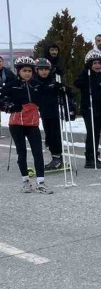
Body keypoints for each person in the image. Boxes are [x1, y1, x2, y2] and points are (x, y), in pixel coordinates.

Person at [1, 57, 52, 193]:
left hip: (32, 123)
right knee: (21, 152)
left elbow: (47, 95)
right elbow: (2, 100)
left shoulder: (36, 84)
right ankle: (26, 181)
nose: (28, 73)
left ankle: (41, 182)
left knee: (37, 152)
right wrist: (10, 106)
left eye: (30, 71)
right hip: (16, 123)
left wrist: (61, 90)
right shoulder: (11, 85)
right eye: (24, 70)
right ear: (18, 71)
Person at [74, 51, 101, 169]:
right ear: (89, 65)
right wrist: (86, 73)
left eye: (99, 63)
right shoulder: (86, 75)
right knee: (91, 134)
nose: (97, 65)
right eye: (94, 63)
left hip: (99, 109)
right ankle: (90, 159)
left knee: (96, 134)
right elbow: (77, 83)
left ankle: (95, 157)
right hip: (88, 108)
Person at [34, 58, 73, 171]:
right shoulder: (35, 82)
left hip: (55, 112)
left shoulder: (53, 80)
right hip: (44, 112)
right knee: (49, 136)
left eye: (46, 69)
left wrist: (63, 88)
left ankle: (58, 158)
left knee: (55, 135)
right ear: (36, 70)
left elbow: (67, 91)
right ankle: (55, 157)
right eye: (41, 69)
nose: (44, 71)